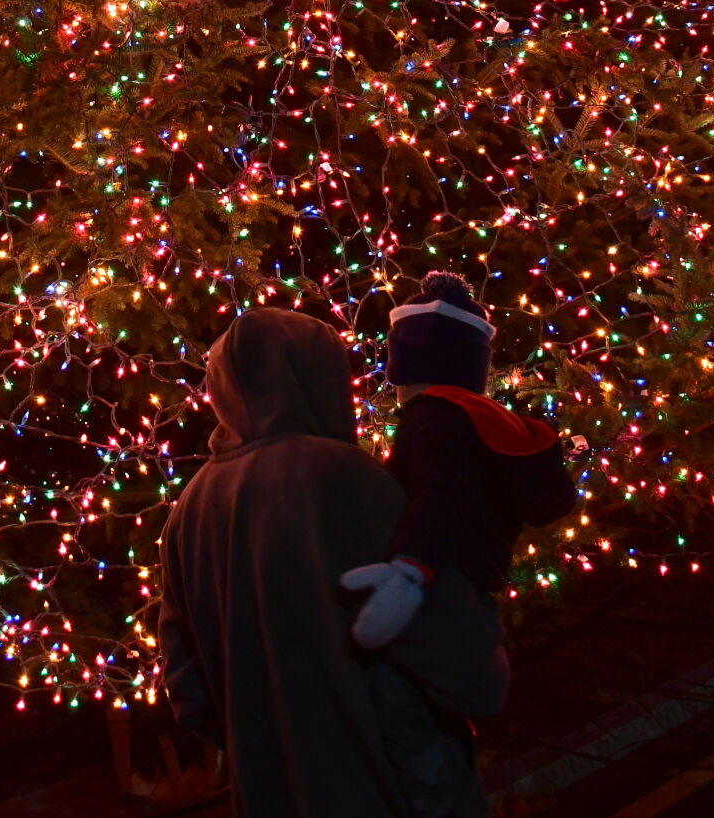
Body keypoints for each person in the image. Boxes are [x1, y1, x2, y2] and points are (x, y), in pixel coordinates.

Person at [159, 307, 507, 818]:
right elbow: (462, 662)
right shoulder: (346, 480)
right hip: (396, 794)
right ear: (321, 378)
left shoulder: (186, 517)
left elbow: (188, 694)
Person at [341, 272, 581, 655]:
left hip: (435, 581)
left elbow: (438, 497)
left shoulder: (431, 419)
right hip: (476, 584)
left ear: (406, 368)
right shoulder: (483, 420)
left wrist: (407, 571)